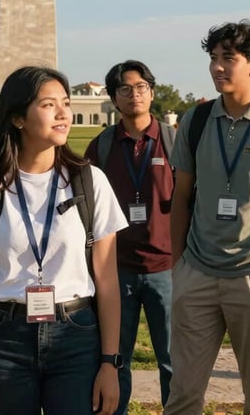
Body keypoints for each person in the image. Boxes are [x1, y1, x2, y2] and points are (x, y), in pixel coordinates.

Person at [0, 65, 128, 415]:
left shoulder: (89, 182)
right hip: (5, 337)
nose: (64, 113)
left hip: (76, 334)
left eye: (65, 102)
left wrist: (110, 363)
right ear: (18, 118)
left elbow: (107, 281)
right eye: (49, 105)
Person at [165, 21, 250, 415]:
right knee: (183, 396)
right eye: (213, 58)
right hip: (197, 273)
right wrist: (179, 265)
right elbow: (181, 198)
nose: (217, 67)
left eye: (229, 59)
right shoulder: (196, 120)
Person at [85, 60, 175, 412]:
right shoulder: (102, 147)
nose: (134, 95)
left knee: (172, 361)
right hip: (116, 268)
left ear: (151, 93)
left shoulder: (173, 141)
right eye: (125, 89)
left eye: (140, 87)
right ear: (113, 99)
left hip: (165, 267)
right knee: (114, 358)